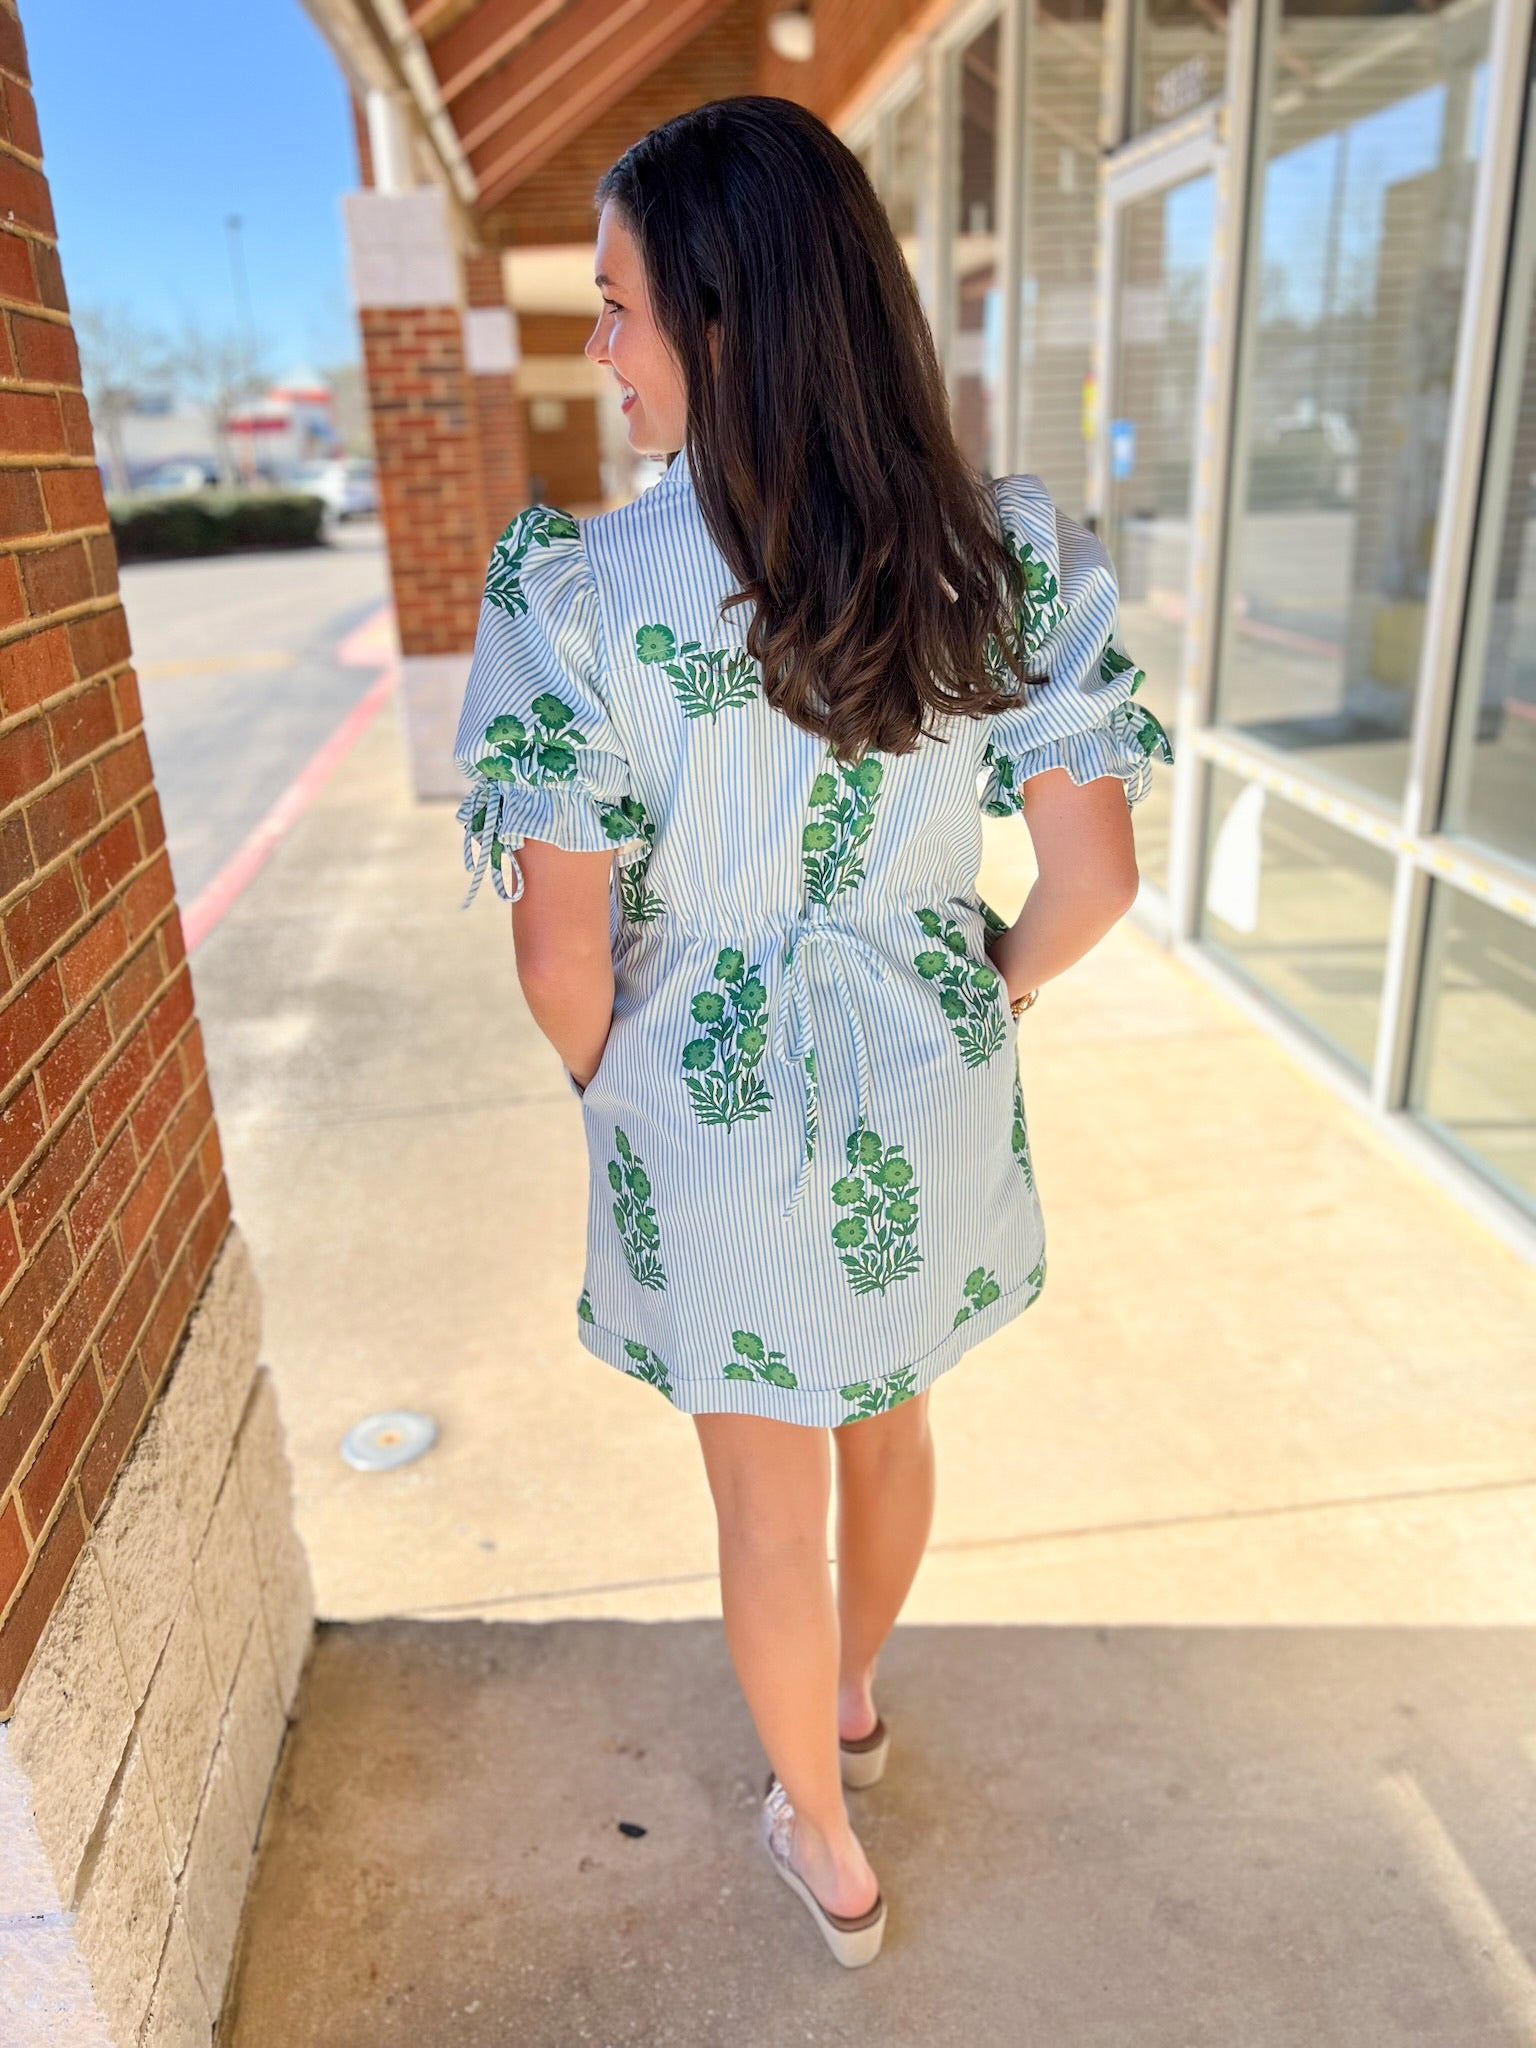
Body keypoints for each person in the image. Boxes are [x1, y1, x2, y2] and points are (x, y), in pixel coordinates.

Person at [452, 95, 1172, 1968]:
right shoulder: (995, 555)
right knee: (890, 1422)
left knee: (763, 1504)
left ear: (719, 313)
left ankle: (831, 1849)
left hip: (709, 1102)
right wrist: (980, 987)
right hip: (923, 1071)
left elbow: (559, 953)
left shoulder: (582, 594)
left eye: (614, 308)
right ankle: (848, 1698)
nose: (601, 353)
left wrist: (619, 1089)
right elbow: (1092, 883)